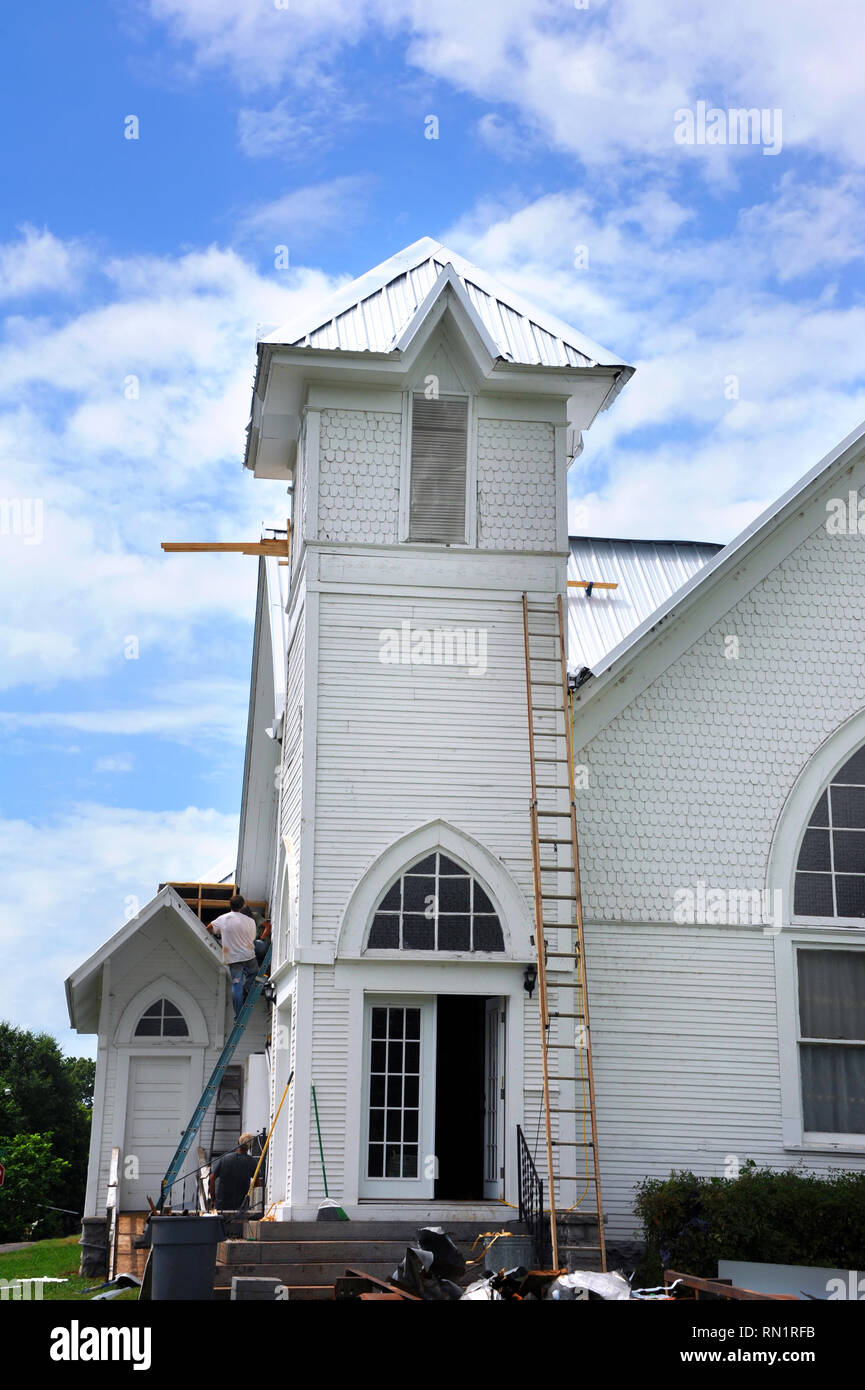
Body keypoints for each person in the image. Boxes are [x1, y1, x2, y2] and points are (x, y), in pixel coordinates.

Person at [207, 894, 258, 1018]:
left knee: (236, 985)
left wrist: (221, 934)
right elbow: (252, 938)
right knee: (254, 972)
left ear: (230, 905)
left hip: (234, 959)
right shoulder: (250, 921)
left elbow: (209, 928)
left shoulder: (223, 919)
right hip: (248, 956)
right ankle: (247, 989)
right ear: (242, 905)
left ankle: (238, 1015)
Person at [209, 1133, 258, 1212]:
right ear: (250, 1147)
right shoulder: (252, 1162)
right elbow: (257, 1184)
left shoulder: (225, 1159)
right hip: (241, 1207)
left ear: (238, 1142)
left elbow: (211, 1178)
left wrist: (213, 1200)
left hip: (222, 1205)